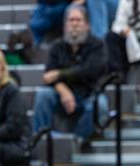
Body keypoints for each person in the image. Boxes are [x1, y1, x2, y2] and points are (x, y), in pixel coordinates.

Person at [32, 4, 108, 147]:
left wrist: (60, 74)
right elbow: (48, 76)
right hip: (62, 96)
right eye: (70, 20)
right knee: (43, 95)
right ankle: (40, 141)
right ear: (65, 25)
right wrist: (63, 90)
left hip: (88, 95)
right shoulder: (57, 46)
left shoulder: (98, 45)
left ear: (87, 25)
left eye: (78, 20)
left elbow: (90, 72)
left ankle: (76, 141)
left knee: (101, 105)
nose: (74, 24)